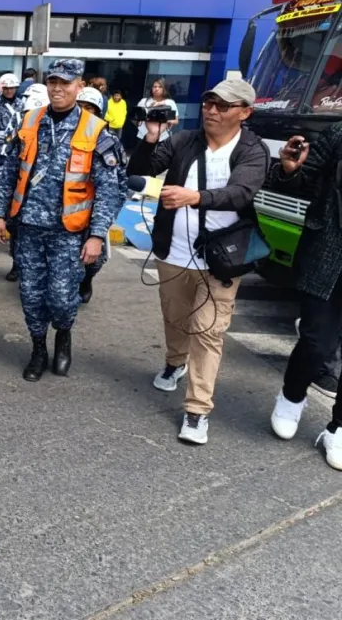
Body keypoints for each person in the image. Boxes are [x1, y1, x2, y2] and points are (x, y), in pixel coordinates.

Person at [128, 79, 269, 445]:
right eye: (209, 102)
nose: (212, 110)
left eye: (223, 105)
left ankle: (197, 410)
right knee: (175, 317)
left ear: (245, 113)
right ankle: (175, 362)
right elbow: (140, 171)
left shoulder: (252, 150)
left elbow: (241, 193)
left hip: (221, 259)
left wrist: (195, 197)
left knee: (208, 331)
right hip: (173, 251)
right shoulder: (183, 140)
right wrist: (151, 136)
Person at [0, 59, 123, 382]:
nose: (57, 88)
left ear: (80, 86)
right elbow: (9, 171)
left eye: (65, 83)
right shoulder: (29, 122)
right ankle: (38, 349)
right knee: (31, 295)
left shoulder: (95, 131)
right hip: (28, 229)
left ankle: (63, 336)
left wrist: (96, 235)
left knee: (63, 299)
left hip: (69, 232)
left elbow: (110, 189)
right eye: (53, 82)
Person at [269, 121, 342, 469]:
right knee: (316, 343)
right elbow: (302, 181)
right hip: (329, 254)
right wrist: (288, 170)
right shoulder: (338, 135)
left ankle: (338, 428)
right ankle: (292, 396)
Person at [75, 87, 127, 304]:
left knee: (95, 258)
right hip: (69, 206)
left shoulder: (108, 140)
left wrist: (111, 209)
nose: (84, 112)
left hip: (96, 208)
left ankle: (87, 280)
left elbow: (120, 178)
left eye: (90, 108)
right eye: (80, 107)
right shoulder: (63, 134)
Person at [4, 83, 50, 283]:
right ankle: (17, 264)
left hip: (48, 204)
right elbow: (8, 165)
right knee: (17, 235)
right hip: (21, 199)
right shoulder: (20, 130)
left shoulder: (57, 134)